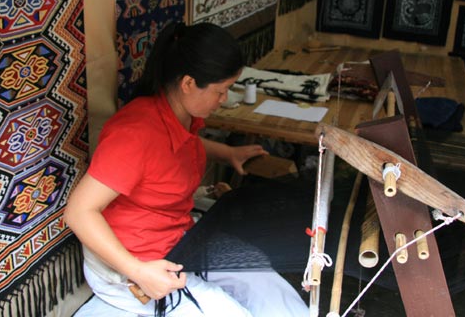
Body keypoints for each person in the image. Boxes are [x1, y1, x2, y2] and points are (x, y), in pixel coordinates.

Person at [64, 22, 309, 316]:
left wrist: (227, 153)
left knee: (266, 284)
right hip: (134, 264)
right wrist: (138, 271)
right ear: (189, 83)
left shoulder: (177, 114)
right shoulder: (134, 135)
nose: (225, 100)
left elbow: (177, 148)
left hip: (179, 240)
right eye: (222, 91)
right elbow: (78, 211)